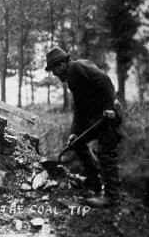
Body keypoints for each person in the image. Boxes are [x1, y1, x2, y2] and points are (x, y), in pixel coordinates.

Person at [45, 47, 123, 207]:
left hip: (109, 116)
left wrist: (109, 107)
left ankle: (112, 197)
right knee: (77, 143)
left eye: (54, 69)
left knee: (106, 153)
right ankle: (93, 181)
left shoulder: (79, 67)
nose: (54, 74)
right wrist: (74, 132)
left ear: (62, 64)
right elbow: (79, 108)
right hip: (96, 117)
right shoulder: (72, 79)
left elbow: (105, 80)